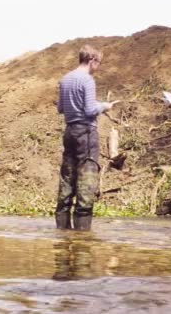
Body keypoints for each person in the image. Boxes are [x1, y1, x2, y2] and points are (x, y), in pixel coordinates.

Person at [55, 45, 118, 231]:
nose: (98, 67)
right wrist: (105, 106)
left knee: (67, 180)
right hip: (86, 134)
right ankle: (82, 240)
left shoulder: (65, 79)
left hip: (69, 133)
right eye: (99, 63)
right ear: (92, 61)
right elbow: (90, 110)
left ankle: (62, 235)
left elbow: (60, 108)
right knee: (86, 185)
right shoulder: (87, 80)